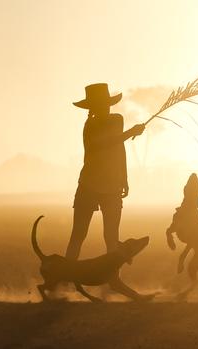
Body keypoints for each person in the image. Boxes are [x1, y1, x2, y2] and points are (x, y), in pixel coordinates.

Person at [65, 83, 145, 260]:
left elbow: (119, 149)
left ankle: (112, 279)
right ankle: (64, 276)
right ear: (94, 107)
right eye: (101, 104)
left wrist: (124, 178)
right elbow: (105, 144)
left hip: (110, 185)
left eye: (106, 103)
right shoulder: (90, 126)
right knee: (78, 235)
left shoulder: (116, 119)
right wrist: (131, 132)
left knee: (111, 237)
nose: (106, 107)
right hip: (89, 185)